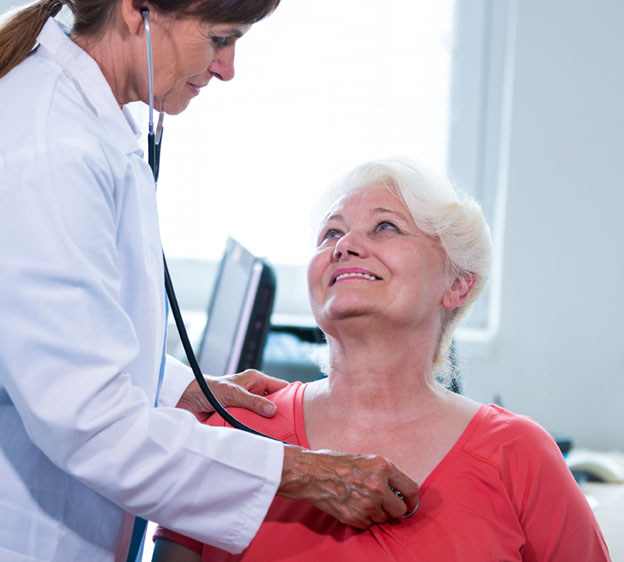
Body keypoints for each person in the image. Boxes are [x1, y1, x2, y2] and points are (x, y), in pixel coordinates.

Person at [0, 2, 419, 560]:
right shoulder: (49, 147)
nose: (227, 68)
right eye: (220, 38)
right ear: (135, 10)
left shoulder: (89, 120)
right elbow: (91, 425)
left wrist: (174, 387)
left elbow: (59, 333)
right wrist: (303, 474)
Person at [152, 157, 611, 561]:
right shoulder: (237, 431)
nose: (344, 244)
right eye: (331, 232)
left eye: (385, 227)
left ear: (457, 284)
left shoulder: (520, 455)